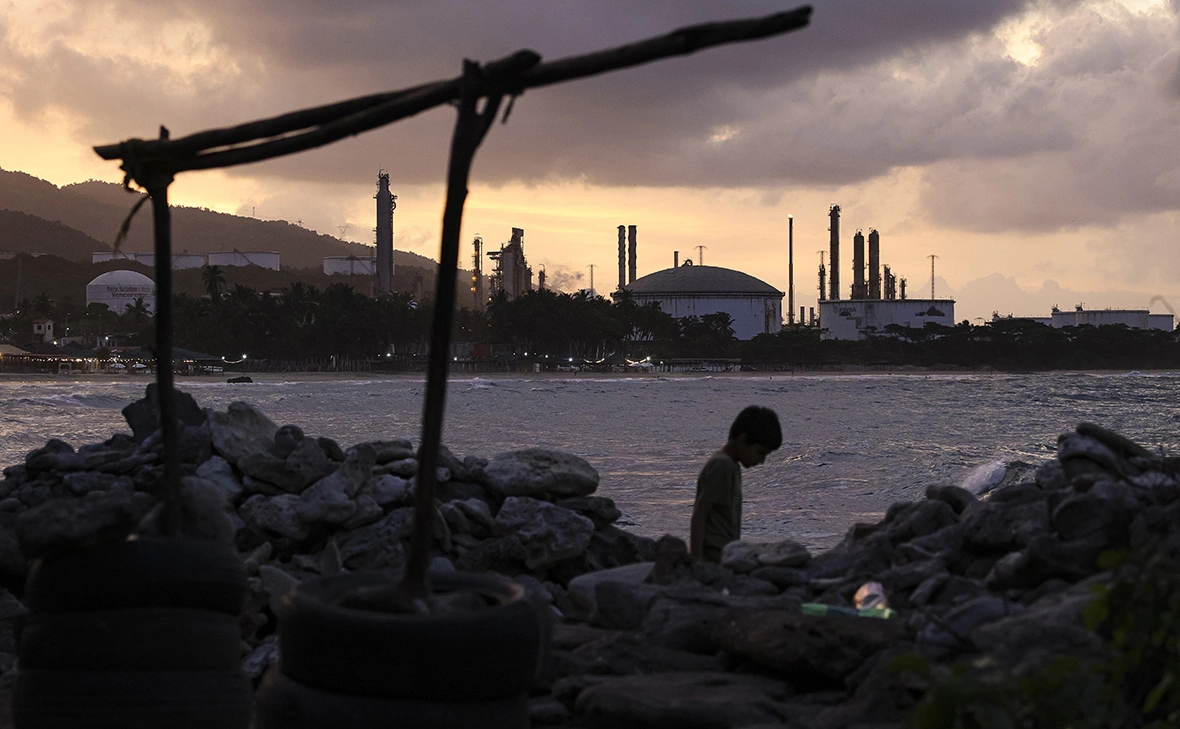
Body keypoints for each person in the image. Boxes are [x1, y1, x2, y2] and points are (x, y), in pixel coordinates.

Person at [689, 405, 782, 562]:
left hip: (723, 556)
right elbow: (700, 514)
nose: (762, 461)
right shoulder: (722, 466)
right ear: (742, 441)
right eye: (761, 452)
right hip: (713, 557)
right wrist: (696, 560)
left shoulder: (731, 466)